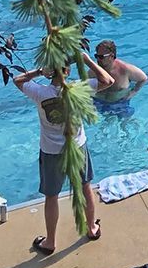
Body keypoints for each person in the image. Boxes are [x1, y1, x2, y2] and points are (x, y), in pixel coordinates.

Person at [15, 54, 112, 254]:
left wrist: (40, 72)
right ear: (68, 71)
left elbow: (18, 79)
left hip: (51, 151)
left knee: (52, 196)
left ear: (50, 72)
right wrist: (85, 59)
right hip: (77, 147)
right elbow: (108, 80)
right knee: (85, 187)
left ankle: (50, 242)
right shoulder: (79, 89)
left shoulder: (40, 93)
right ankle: (92, 227)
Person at [93, 40, 148, 111]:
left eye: (101, 57)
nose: (98, 59)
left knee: (127, 120)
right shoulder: (94, 70)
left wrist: (133, 92)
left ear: (111, 56)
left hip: (120, 103)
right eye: (96, 56)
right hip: (99, 102)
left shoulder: (125, 69)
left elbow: (143, 78)